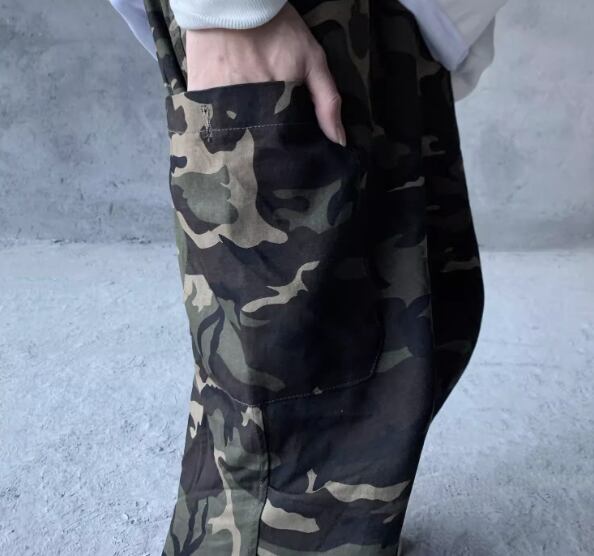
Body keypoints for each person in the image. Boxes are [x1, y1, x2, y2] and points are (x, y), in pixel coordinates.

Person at [109, 1, 506, 554]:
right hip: (282, 15)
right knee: (294, 399)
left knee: (414, 341)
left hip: (396, 21)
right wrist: (230, 15)